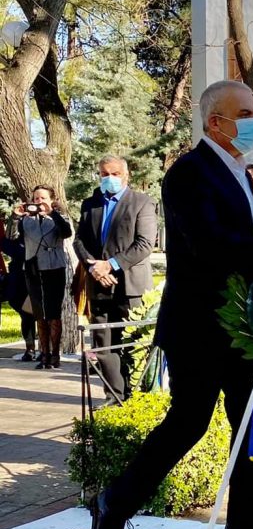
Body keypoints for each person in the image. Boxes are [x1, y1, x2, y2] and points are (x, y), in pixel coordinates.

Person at [89, 79, 253, 529]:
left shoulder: (241, 173)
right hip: (196, 326)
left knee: (249, 420)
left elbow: (247, 237)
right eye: (247, 114)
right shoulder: (188, 173)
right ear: (216, 122)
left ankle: (247, 524)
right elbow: (208, 244)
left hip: (240, 324)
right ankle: (113, 505)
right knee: (188, 423)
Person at [74, 155, 158, 403]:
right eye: (104, 174)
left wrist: (110, 265)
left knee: (134, 342)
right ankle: (114, 397)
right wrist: (94, 268)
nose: (109, 178)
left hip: (130, 285)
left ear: (126, 175)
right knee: (104, 344)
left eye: (114, 174)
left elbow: (144, 244)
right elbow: (79, 241)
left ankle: (137, 396)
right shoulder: (90, 204)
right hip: (98, 283)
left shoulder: (142, 202)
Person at [13, 186, 72, 369]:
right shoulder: (27, 220)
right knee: (39, 313)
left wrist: (51, 213)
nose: (39, 202)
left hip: (54, 267)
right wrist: (15, 217)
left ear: (52, 200)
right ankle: (43, 354)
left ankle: (55, 354)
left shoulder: (58, 217)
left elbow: (67, 232)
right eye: (36, 199)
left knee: (53, 312)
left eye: (43, 198)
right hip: (33, 268)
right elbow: (11, 237)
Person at [1, 217, 37, 362]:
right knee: (26, 315)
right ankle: (30, 348)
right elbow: (4, 243)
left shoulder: (40, 242)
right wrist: (15, 218)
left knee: (42, 318)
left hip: (36, 282)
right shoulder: (18, 243)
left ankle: (45, 349)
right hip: (18, 285)